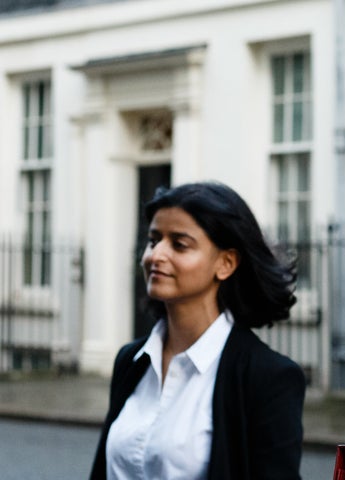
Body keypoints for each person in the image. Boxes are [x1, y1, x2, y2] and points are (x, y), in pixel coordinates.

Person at [90, 181, 305, 479]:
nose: (156, 255)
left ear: (226, 263)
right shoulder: (130, 361)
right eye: (154, 240)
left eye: (179, 244)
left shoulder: (268, 377)